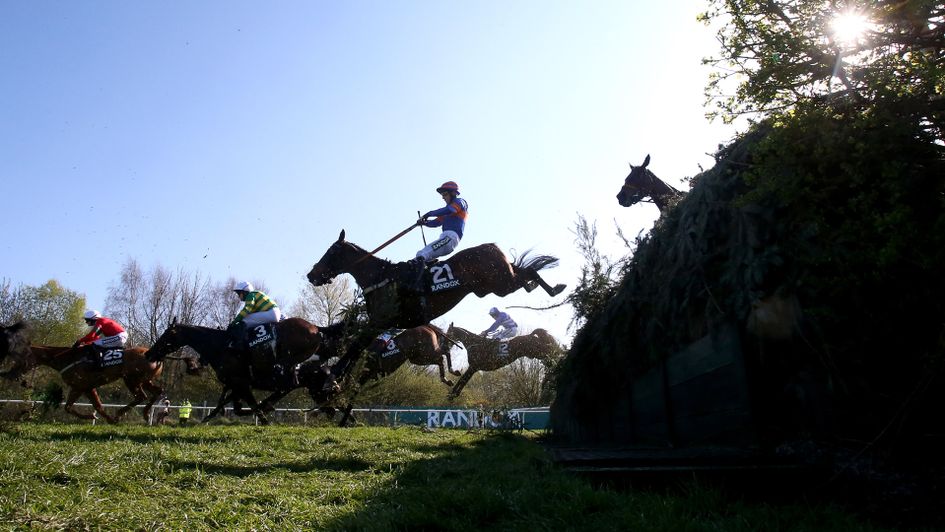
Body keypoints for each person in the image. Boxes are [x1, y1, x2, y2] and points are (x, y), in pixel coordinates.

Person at [406, 181, 469, 289]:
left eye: (445, 194)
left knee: (421, 255)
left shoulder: (460, 202)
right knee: (425, 257)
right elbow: (436, 223)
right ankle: (426, 279)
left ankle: (415, 283)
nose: (443, 198)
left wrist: (429, 213)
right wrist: (424, 223)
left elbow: (450, 209)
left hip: (451, 238)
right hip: (445, 238)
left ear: (453, 193)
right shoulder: (447, 212)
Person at [227, 281, 282, 347]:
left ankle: (238, 344)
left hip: (272, 313)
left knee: (244, 320)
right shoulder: (255, 294)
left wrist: (234, 322)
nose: (239, 296)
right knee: (250, 320)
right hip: (276, 313)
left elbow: (246, 310)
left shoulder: (250, 295)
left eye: (239, 293)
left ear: (245, 291)